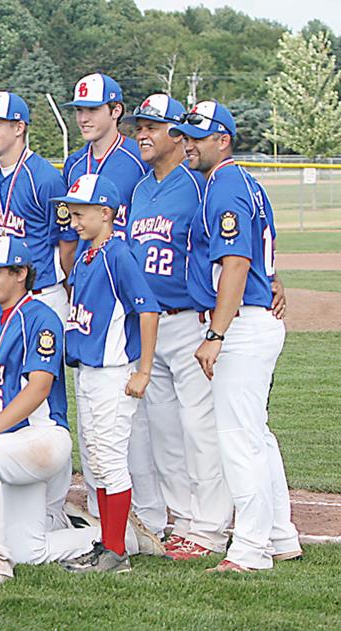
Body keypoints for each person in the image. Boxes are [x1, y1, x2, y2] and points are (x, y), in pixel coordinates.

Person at [0, 236, 154, 588]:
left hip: (44, 438)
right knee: (27, 549)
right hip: (15, 442)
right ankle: (117, 538)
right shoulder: (1, 319)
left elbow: (38, 388)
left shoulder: (40, 316)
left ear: (20, 273)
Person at [175, 101, 302, 572]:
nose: (188, 143)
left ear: (223, 139)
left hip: (242, 323)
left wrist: (216, 332)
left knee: (237, 438)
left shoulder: (225, 186)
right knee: (256, 435)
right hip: (252, 318)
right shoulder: (245, 182)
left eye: (198, 137)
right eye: (186, 136)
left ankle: (250, 551)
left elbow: (235, 263)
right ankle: (279, 534)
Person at [123, 94, 231, 559]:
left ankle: (211, 526)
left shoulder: (200, 183)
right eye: (139, 126)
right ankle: (184, 518)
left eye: (152, 127)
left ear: (178, 134)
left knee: (198, 427)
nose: (142, 134)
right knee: (166, 428)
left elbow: (233, 242)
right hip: (151, 326)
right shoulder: (142, 188)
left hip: (190, 319)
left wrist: (274, 275)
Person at [52, 174, 160, 572]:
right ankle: (106, 543)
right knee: (95, 459)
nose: (74, 221)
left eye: (81, 213)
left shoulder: (118, 254)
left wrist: (144, 370)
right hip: (88, 371)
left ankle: (116, 551)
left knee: (110, 460)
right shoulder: (85, 255)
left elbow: (147, 309)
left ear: (105, 212)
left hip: (115, 372)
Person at [0, 92, 70, 321]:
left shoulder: (45, 177)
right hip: (5, 297)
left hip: (42, 293)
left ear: (18, 128)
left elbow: (67, 243)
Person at [62, 74, 148, 239]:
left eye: (93, 110)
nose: (83, 119)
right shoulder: (73, 164)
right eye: (79, 110)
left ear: (116, 111)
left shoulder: (140, 158)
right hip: (85, 262)